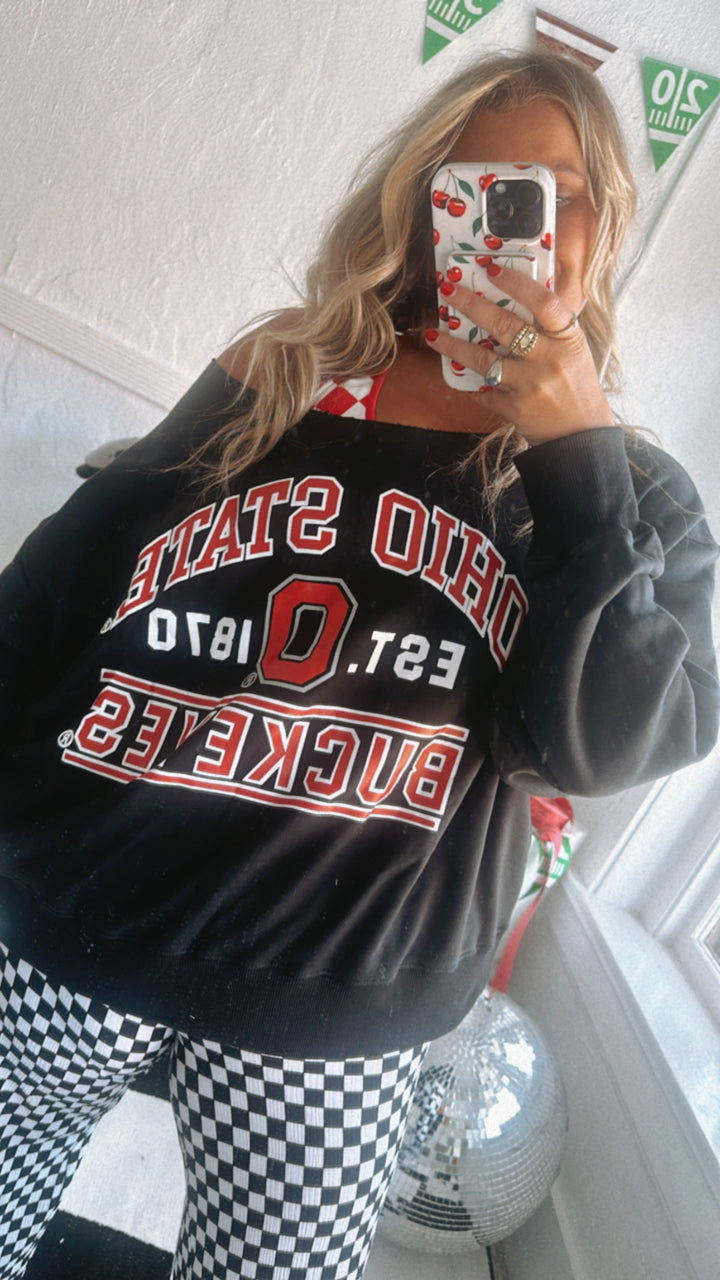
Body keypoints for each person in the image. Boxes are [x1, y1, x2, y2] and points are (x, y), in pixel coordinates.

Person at [0, 49, 717, 1280]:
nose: (512, 219)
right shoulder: (281, 371)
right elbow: (57, 592)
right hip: (79, 911)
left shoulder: (630, 490)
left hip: (339, 993)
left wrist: (577, 461)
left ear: (601, 223)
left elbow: (599, 746)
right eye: (476, 183)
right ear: (424, 203)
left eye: (553, 192)